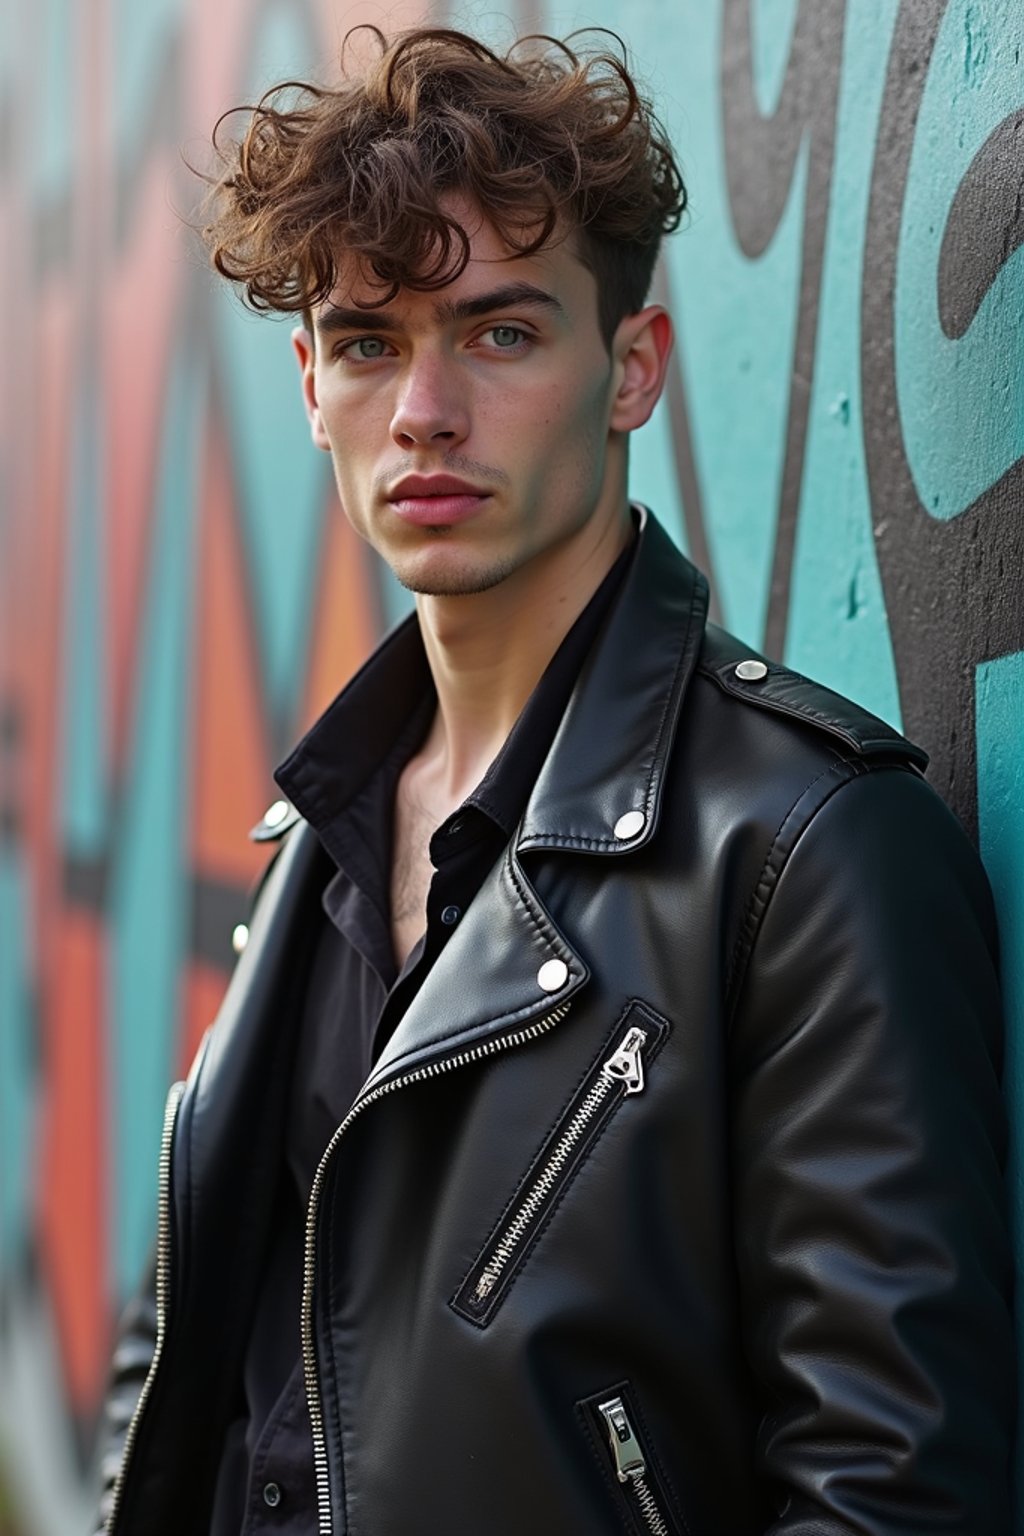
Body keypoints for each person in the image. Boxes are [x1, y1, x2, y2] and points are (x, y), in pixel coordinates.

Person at [95, 26, 1014, 1536]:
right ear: (312, 378)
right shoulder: (314, 843)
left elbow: (889, 1490)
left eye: (502, 332)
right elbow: (200, 1363)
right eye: (373, 341)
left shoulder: (802, 848)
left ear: (631, 368)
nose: (427, 413)